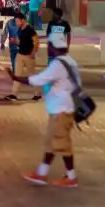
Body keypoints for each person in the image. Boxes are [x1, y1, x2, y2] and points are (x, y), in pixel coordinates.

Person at [22, 31, 84, 188]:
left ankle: (71, 178)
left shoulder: (58, 65)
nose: (48, 48)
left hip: (61, 111)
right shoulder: (70, 61)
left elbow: (40, 79)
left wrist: (18, 78)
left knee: (62, 144)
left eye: (49, 45)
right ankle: (42, 174)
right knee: (53, 142)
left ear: (53, 47)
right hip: (63, 109)